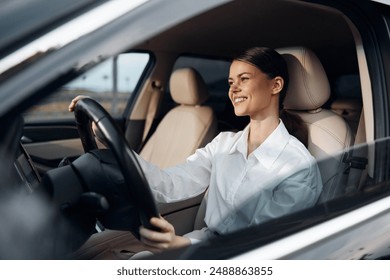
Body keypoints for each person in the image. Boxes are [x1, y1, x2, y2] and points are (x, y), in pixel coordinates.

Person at [69, 47, 323, 254]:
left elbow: (261, 245)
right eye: (230, 82)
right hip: (205, 242)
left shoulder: (297, 166)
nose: (233, 89)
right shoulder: (223, 144)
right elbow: (170, 183)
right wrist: (113, 144)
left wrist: (182, 245)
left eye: (244, 79)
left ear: (275, 85)